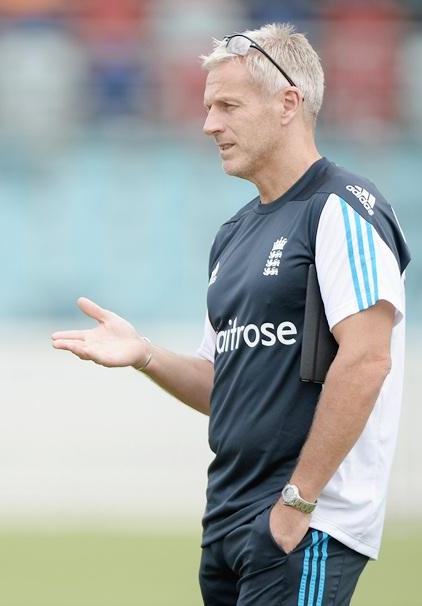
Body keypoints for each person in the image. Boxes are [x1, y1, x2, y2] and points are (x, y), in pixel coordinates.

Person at [52, 23, 410, 605]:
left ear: (288, 103)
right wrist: (142, 353)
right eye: (206, 106)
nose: (209, 124)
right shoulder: (233, 234)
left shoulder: (341, 209)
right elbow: (225, 386)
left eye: (228, 105)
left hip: (305, 523)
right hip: (228, 519)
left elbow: (367, 360)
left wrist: (296, 505)